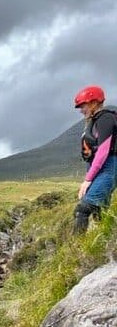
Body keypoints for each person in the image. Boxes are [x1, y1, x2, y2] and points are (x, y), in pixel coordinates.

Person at [73, 85, 117, 233]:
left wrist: (88, 180)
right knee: (100, 212)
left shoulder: (106, 118)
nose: (81, 110)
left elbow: (103, 151)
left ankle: (76, 250)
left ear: (93, 103)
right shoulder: (95, 121)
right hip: (101, 169)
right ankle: (102, 245)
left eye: (83, 105)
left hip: (108, 168)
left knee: (83, 209)